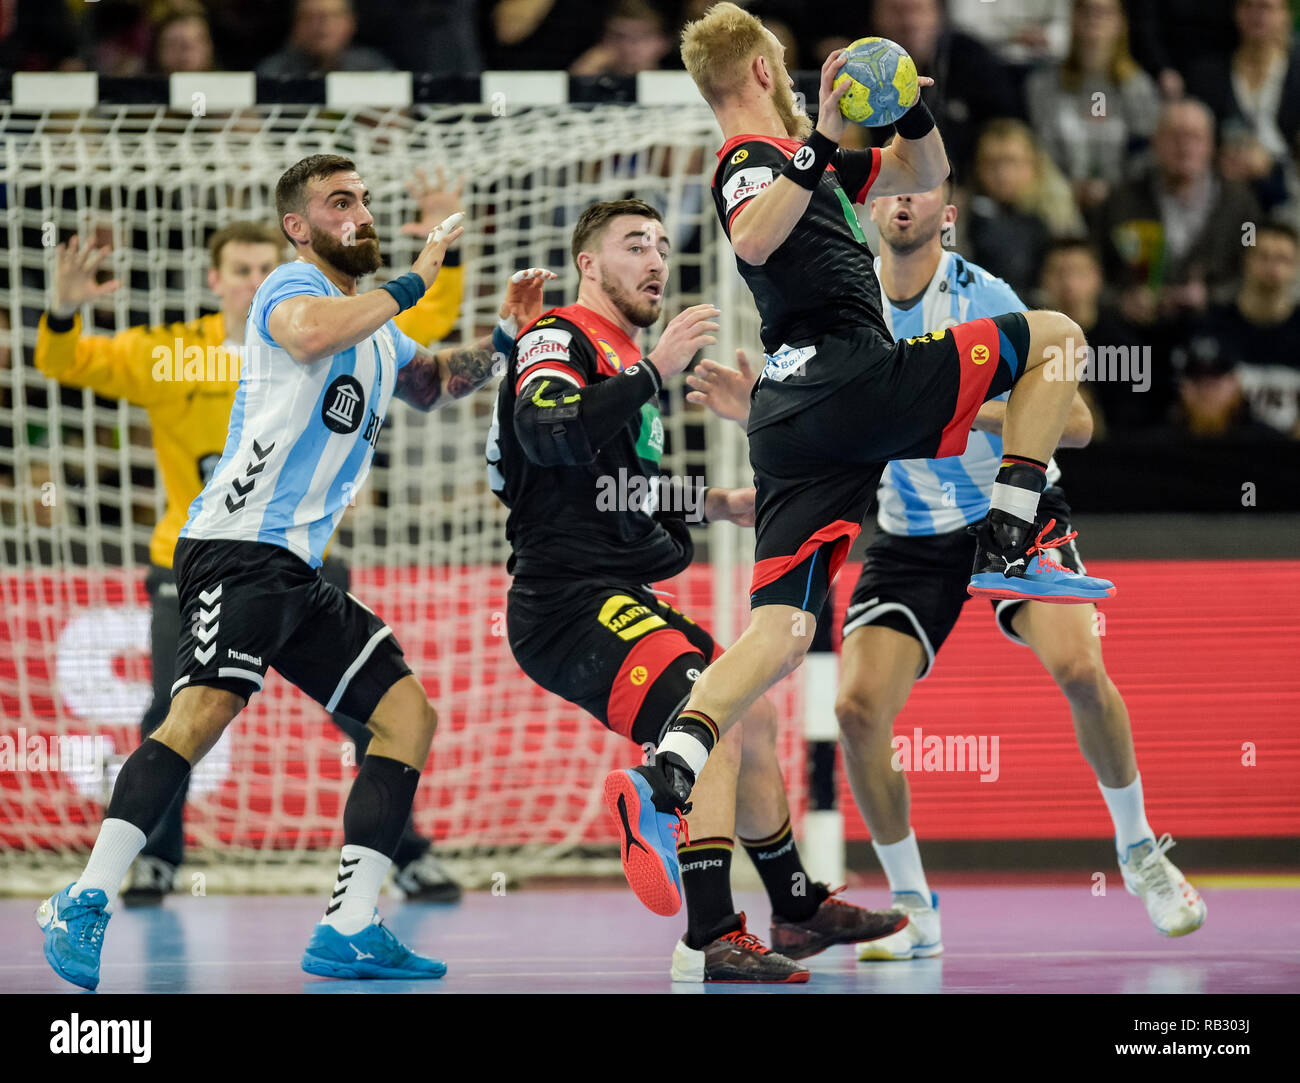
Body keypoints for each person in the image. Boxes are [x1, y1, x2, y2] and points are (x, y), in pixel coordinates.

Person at [598, 1, 1114, 916]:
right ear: (760, 72)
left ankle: (668, 770)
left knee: (785, 633)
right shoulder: (749, 160)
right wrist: (824, 134)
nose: (799, 86)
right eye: (787, 71)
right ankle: (1011, 534)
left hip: (798, 420)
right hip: (851, 376)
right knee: (1061, 337)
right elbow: (753, 236)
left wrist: (903, 96)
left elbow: (926, 168)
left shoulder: (818, 167)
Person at [35, 152, 549, 989]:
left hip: (299, 569)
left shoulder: (376, 329)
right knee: (195, 714)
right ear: (298, 227)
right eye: (339, 201)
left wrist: (502, 343)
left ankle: (349, 923)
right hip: (235, 546)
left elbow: (431, 384)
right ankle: (85, 895)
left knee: (405, 718)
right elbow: (310, 335)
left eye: (365, 199)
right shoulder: (287, 289)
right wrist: (418, 280)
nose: (361, 213)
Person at [687, 183, 1208, 951]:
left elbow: (1081, 422)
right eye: (887, 189)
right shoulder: (840, 304)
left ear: (949, 212)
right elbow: (831, 438)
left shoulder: (980, 294)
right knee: (858, 709)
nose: (901, 201)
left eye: (919, 188)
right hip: (909, 532)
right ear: (865, 215)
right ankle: (914, 908)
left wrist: (944, 405)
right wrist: (761, 421)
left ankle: (1139, 852)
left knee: (1080, 670)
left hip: (1014, 510)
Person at [489, 198, 907, 982]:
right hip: (565, 600)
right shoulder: (561, 335)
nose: (654, 260)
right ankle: (711, 935)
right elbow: (546, 430)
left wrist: (719, 502)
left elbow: (617, 487)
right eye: (631, 245)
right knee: (702, 711)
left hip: (613, 587)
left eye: (657, 245)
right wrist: (654, 372)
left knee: (749, 709)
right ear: (588, 264)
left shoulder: (614, 351)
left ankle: (795, 905)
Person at [1097, 98, 1261, 329]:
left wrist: (1211, 296)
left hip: (1217, 329)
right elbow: (1094, 268)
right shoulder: (1121, 201)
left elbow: (1253, 270)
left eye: (1195, 137)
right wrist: (1122, 301)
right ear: (1155, 143)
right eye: (1174, 136)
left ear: (1211, 146)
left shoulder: (1241, 205)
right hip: (1134, 332)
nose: (1185, 147)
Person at [1024, 0, 1161, 219]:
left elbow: (1146, 153)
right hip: (1058, 203)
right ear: (1073, 19)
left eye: (1104, 12)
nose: (1094, 18)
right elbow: (1041, 150)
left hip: (1123, 204)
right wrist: (1069, 188)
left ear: (1120, 22)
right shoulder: (1043, 85)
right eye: (1086, 11)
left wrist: (1112, 189)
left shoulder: (1138, 87)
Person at [1176, 219, 1300, 437]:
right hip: (1228, 452)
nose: (1273, 268)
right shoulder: (1210, 327)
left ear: (1296, 266)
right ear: (1246, 261)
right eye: (1263, 256)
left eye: (1283, 259)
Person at [256, 0, 393, 79]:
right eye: (310, 17)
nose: (322, 26)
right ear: (295, 24)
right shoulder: (273, 72)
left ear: (351, 22)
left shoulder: (372, 67)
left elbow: (397, 119)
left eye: (333, 16)